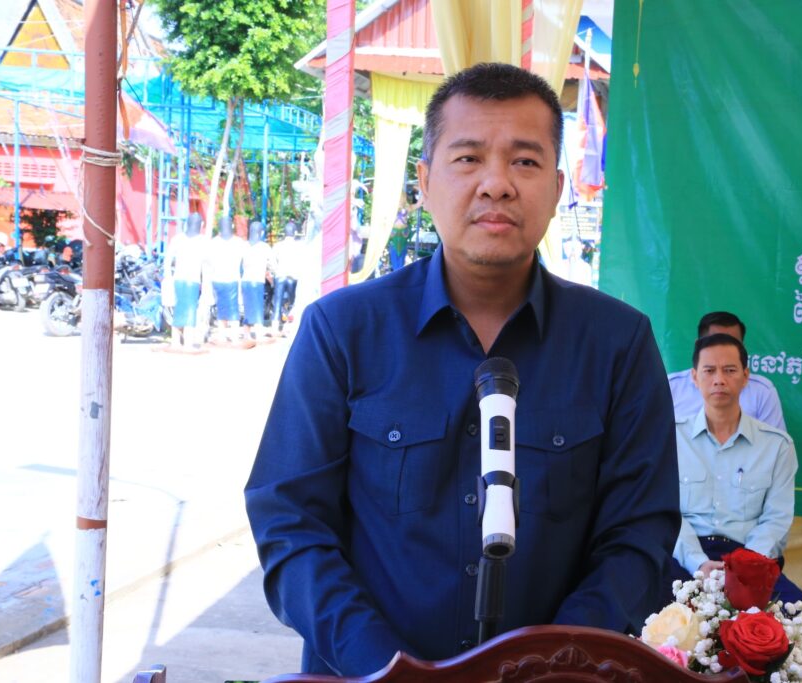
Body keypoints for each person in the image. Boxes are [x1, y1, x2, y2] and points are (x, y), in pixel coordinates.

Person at [245, 62, 680, 676]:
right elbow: (290, 524)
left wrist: (554, 667)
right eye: (468, 158)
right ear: (424, 181)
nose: (496, 184)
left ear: (558, 187)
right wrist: (387, 669)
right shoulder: (341, 331)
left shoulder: (618, 343)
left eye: (524, 161)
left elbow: (638, 533)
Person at [668, 333, 802, 605]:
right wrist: (699, 564)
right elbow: (667, 515)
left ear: (746, 376)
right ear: (695, 377)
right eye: (709, 370)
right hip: (684, 558)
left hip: (750, 560)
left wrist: (741, 567)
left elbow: (776, 520)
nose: (719, 379)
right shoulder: (670, 438)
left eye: (730, 370)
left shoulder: (777, 445)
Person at [667, 311, 786, 430]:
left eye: (732, 343)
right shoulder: (671, 387)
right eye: (715, 342)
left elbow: (773, 439)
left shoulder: (762, 390)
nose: (719, 380)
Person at [162, 212, 208, 349]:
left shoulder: (177, 239)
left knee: (178, 310)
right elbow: (206, 266)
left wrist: (168, 277)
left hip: (178, 280)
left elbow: (167, 260)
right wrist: (206, 285)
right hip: (193, 281)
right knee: (190, 311)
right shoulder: (203, 241)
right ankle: (188, 343)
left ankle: (175, 342)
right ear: (201, 225)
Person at [207, 215, 246, 344]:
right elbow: (244, 263)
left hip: (217, 279)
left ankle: (222, 335)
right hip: (233, 279)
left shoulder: (212, 243)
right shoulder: (239, 243)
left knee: (221, 308)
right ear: (232, 226)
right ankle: (234, 335)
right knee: (233, 308)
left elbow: (208, 264)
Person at [270, 219, 305, 333]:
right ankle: (289, 325)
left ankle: (275, 325)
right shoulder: (300, 246)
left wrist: (275, 271)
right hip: (293, 277)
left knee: (277, 301)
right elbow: (303, 262)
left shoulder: (278, 246)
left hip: (280, 276)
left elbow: (272, 262)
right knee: (292, 302)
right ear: (295, 232)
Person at [240, 220, 271, 344]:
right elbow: (272, 265)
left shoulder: (243, 246)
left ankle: (246, 334)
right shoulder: (264, 247)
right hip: (257, 281)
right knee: (258, 307)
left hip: (245, 280)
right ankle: (259, 334)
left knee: (248, 308)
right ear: (261, 232)